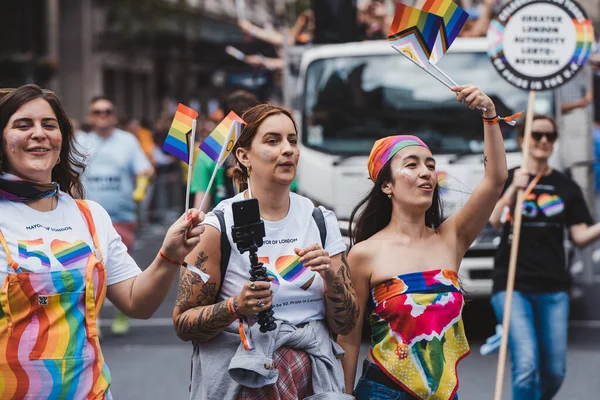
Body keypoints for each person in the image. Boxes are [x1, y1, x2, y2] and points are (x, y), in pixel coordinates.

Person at [0, 84, 204, 398]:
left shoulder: (90, 215)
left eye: (49, 125)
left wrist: (169, 255)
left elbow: (138, 302)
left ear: (62, 140)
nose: (38, 133)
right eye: (23, 125)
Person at [173, 104, 359, 399]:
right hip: (243, 383)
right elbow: (183, 324)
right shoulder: (217, 226)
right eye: (273, 141)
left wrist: (331, 277)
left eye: (293, 141)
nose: (288, 150)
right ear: (244, 156)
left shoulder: (319, 220)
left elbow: (346, 323)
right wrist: (236, 306)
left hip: (314, 382)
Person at [337, 85, 508, 400]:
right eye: (412, 164)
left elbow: (495, 179)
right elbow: (348, 339)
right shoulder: (364, 254)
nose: (426, 172)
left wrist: (489, 115)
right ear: (386, 185)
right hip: (384, 392)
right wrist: (344, 396)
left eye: (430, 165)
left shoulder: (451, 238)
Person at [489, 114, 600, 400]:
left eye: (549, 136)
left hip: (553, 288)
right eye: (536, 135)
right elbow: (494, 220)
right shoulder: (508, 177)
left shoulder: (566, 187)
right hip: (512, 286)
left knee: (554, 373)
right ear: (522, 139)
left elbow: (580, 237)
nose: (543, 141)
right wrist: (515, 188)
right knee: (526, 366)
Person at [78, 96, 154, 335]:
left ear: (114, 115)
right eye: (97, 112)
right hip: (86, 215)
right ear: (91, 116)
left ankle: (123, 309)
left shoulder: (128, 141)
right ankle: (95, 316)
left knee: (118, 265)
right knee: (89, 266)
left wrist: (142, 181)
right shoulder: (80, 141)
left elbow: (145, 169)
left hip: (121, 215)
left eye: (107, 111)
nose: (103, 115)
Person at [192, 90, 259, 212]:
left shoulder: (208, 154)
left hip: (224, 225)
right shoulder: (267, 152)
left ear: (224, 118)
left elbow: (200, 207)